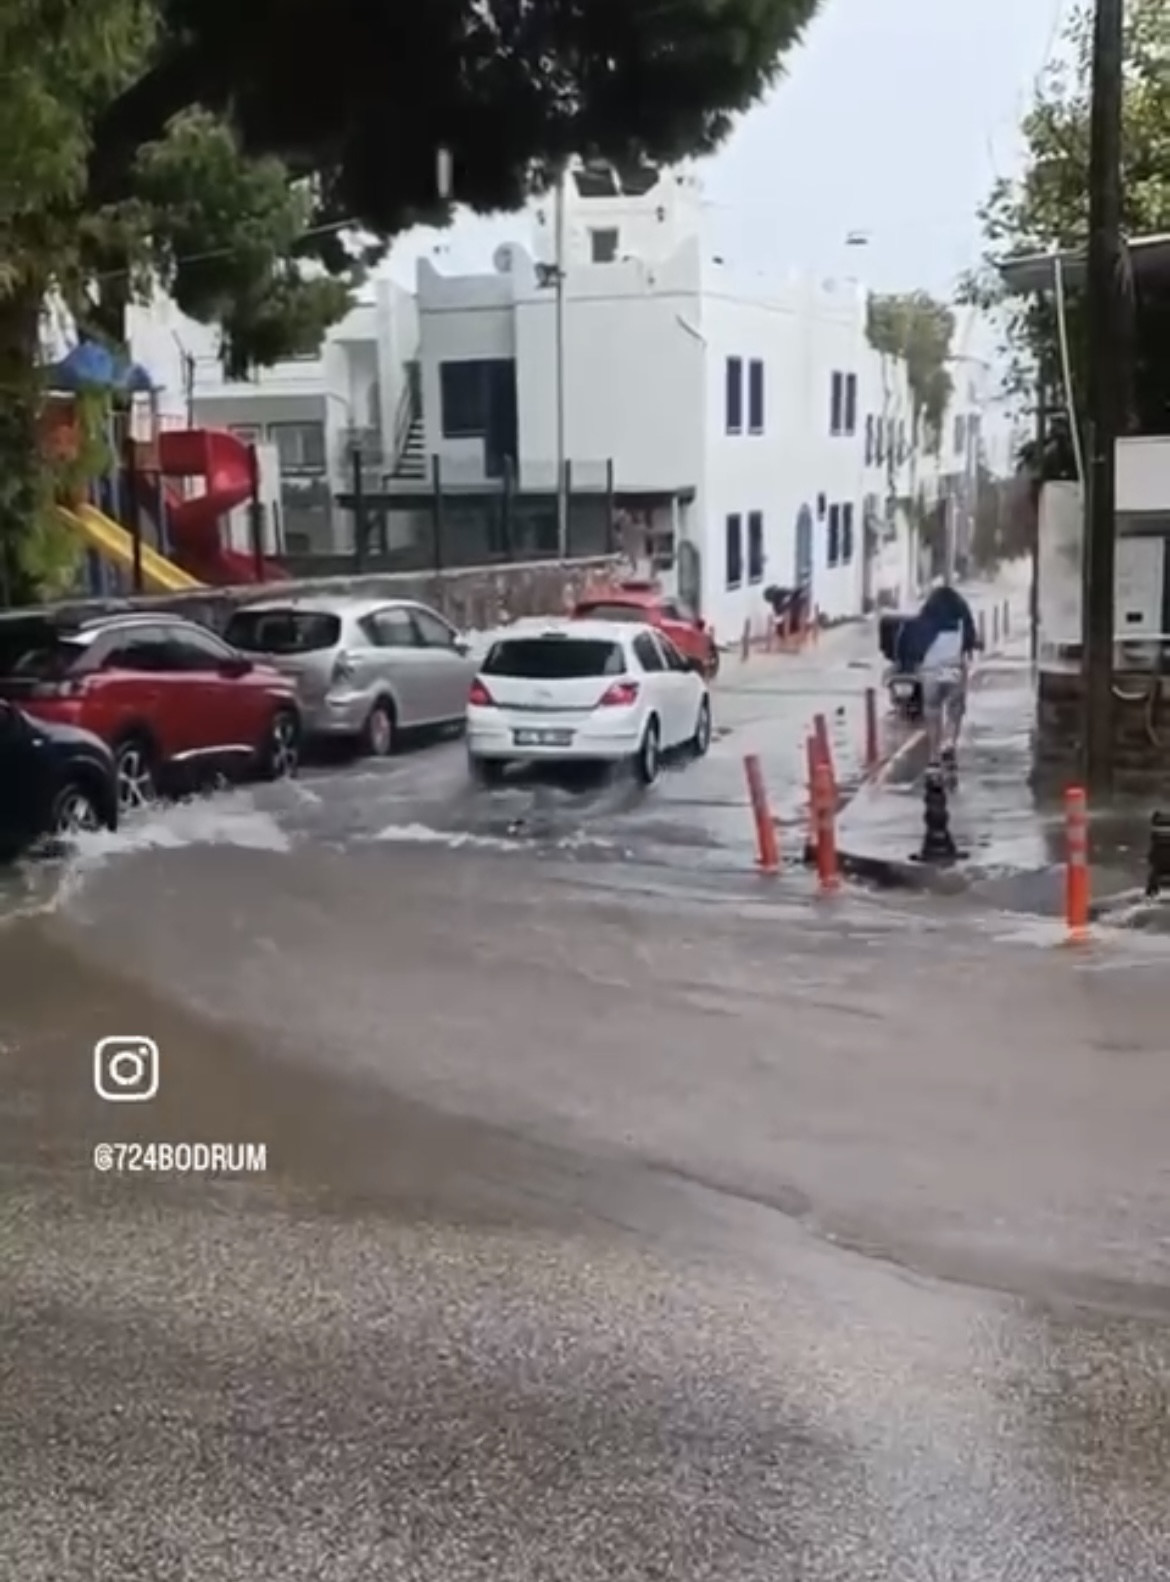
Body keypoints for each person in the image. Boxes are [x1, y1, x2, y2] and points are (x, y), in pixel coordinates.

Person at [905, 580, 978, 766]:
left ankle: (934, 754)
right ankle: (949, 743)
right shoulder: (962, 613)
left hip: (930, 671)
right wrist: (968, 648)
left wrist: (915, 662)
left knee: (932, 711)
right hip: (953, 668)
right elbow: (970, 637)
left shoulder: (927, 615)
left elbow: (915, 641)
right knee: (955, 709)